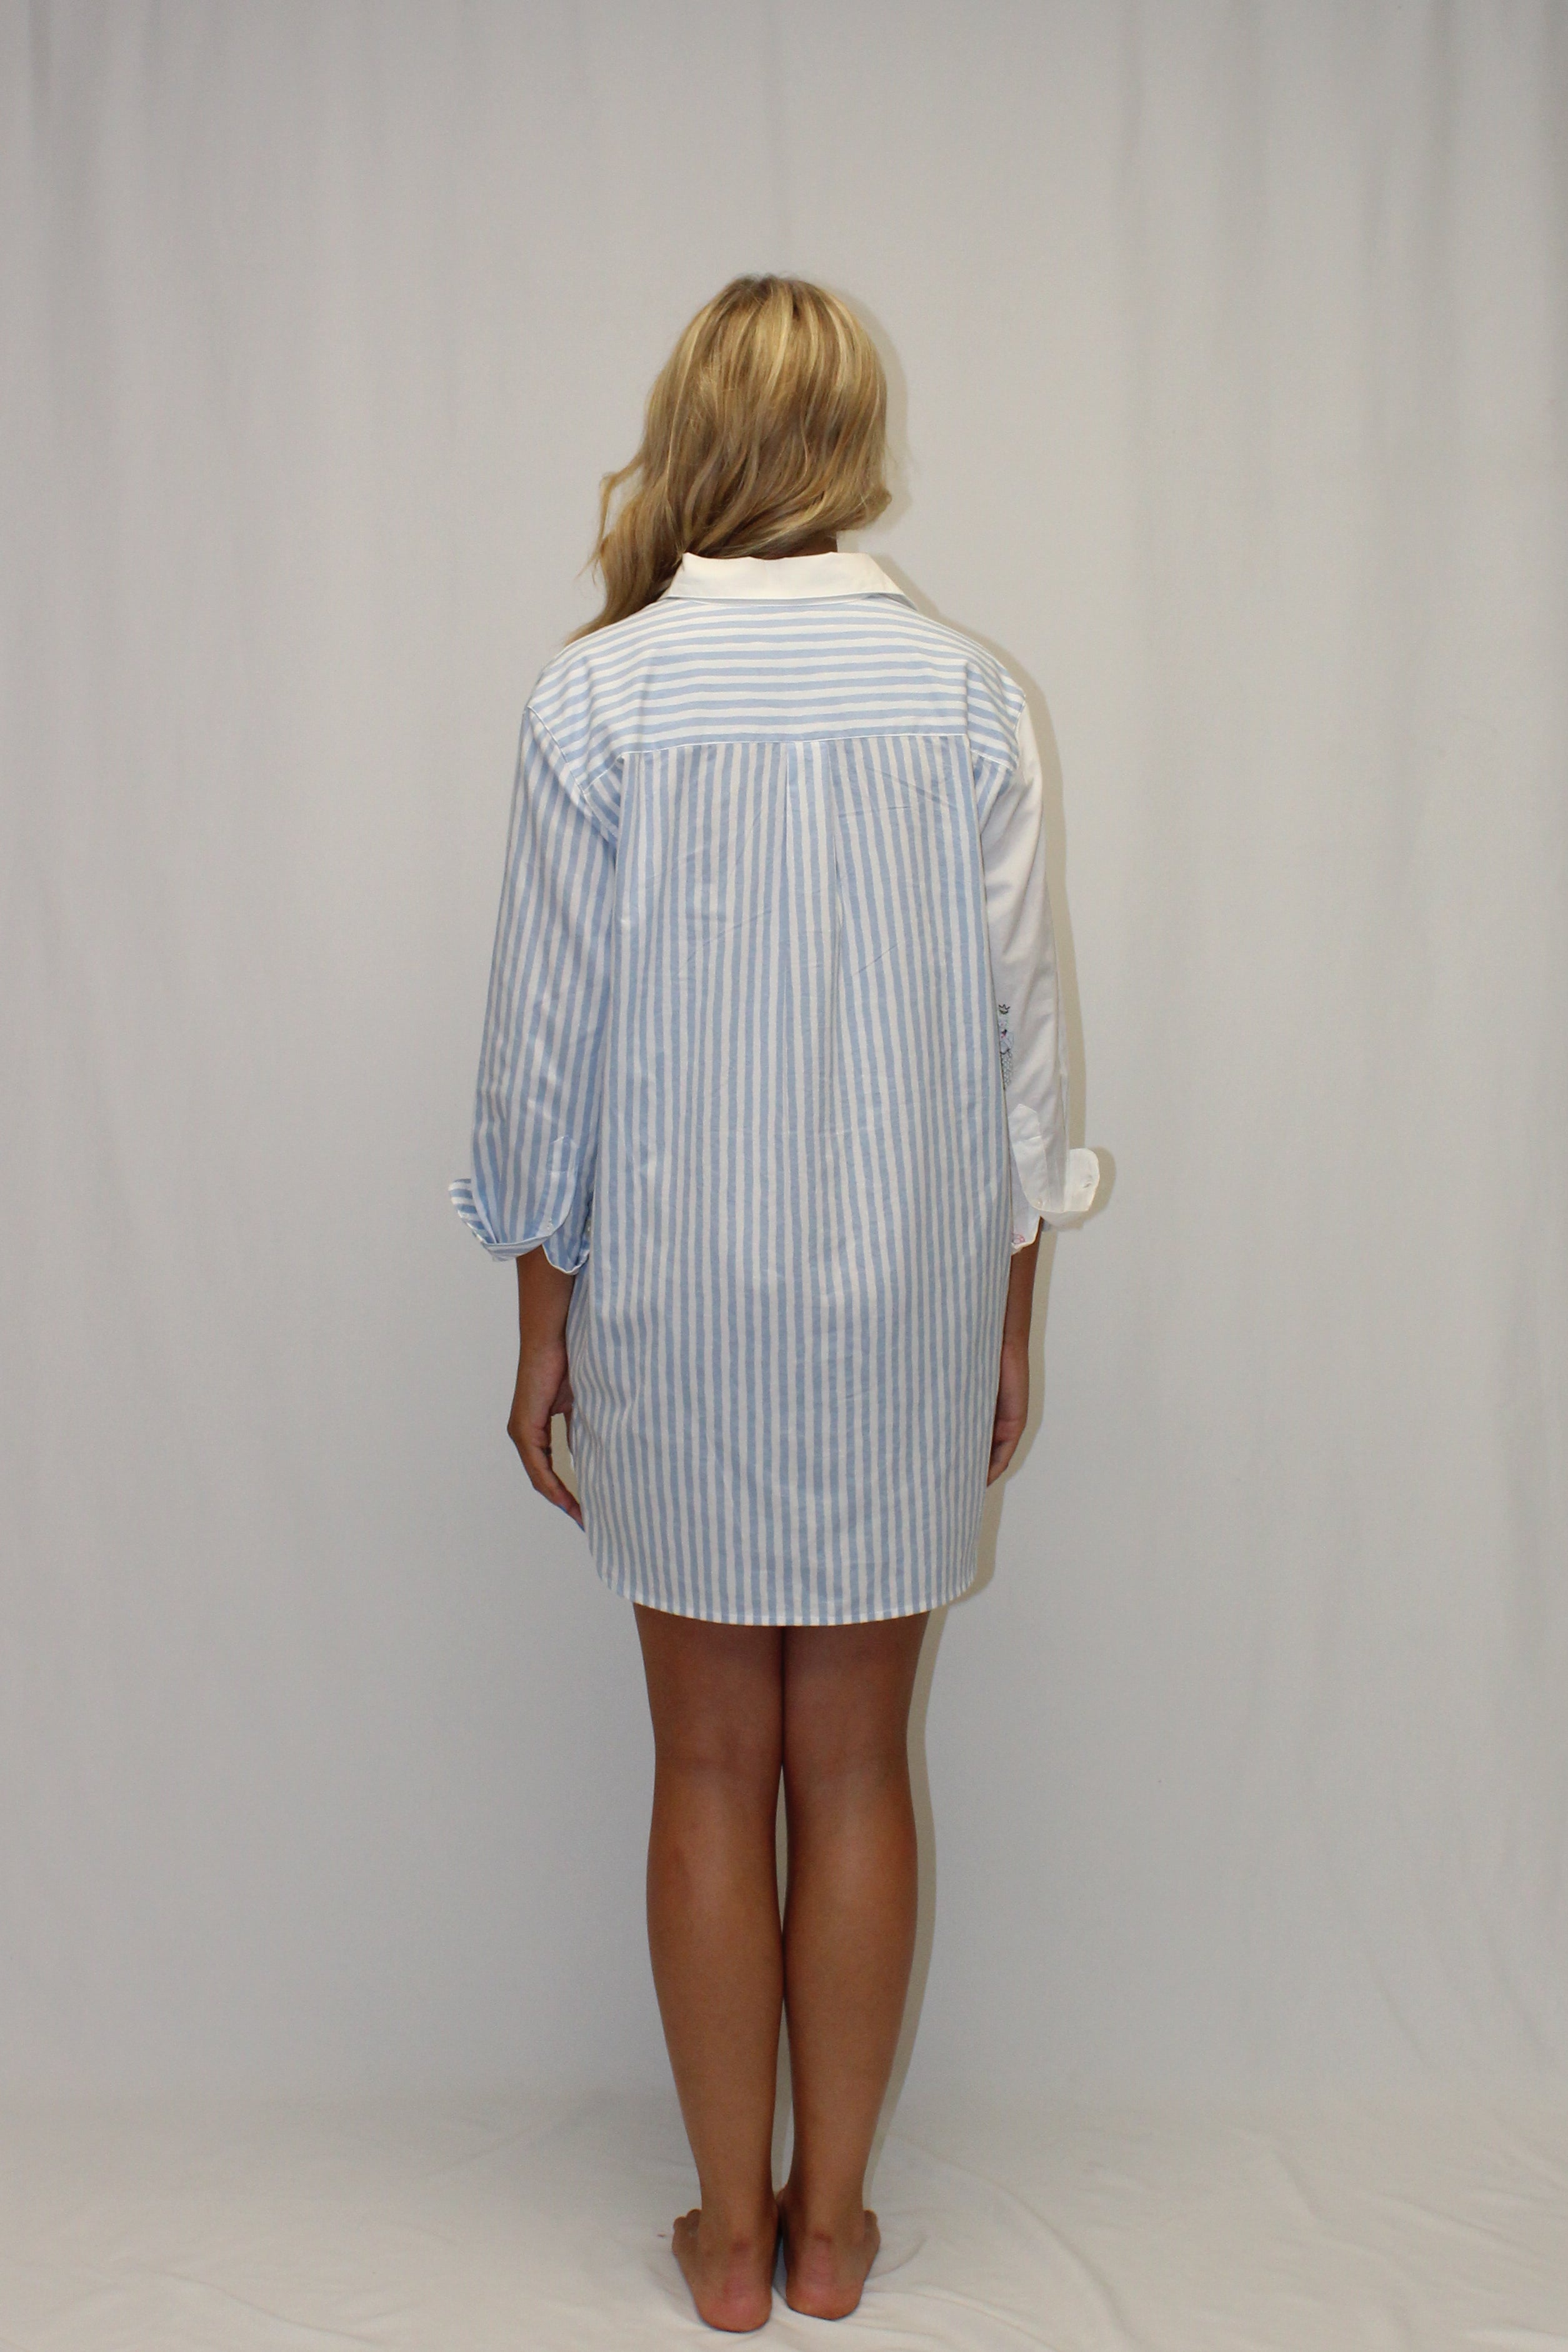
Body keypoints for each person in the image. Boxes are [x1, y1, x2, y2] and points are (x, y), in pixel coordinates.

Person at [450, 274, 1099, 2332]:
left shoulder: (598, 700)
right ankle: (833, 2234)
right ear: (848, 447)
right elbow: (1025, 1057)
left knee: (714, 1766)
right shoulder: (969, 698)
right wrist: (1012, 1315)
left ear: (694, 433)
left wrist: (539, 1323)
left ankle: (728, 2239)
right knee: (864, 1765)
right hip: (908, 1293)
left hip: (681, 1298)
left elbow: (541, 1055)